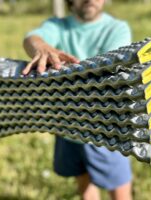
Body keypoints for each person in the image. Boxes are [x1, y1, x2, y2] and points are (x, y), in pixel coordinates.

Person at [22, 0, 132, 199]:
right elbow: (32, 38)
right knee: (83, 182)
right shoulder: (57, 27)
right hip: (68, 128)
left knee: (119, 188)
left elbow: (108, 74)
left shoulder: (117, 29)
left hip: (105, 128)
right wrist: (41, 48)